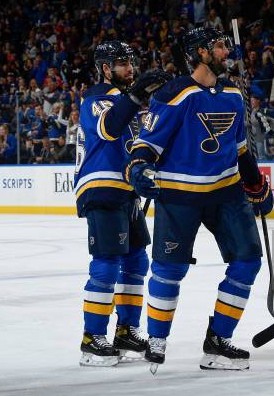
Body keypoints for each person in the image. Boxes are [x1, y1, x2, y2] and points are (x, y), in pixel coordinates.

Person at [126, 27, 273, 372]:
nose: (226, 52)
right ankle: (158, 340)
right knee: (170, 268)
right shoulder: (175, 94)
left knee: (249, 260)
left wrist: (255, 185)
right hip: (179, 195)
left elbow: (241, 151)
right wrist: (138, 169)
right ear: (201, 52)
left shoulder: (234, 96)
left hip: (226, 193)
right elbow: (146, 144)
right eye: (220, 46)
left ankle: (219, 341)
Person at [74, 41, 171, 367]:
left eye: (131, 62)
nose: (130, 69)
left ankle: (127, 330)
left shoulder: (125, 101)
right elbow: (110, 127)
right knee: (107, 262)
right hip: (101, 186)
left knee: (135, 261)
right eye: (121, 63)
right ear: (104, 69)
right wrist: (135, 95)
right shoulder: (96, 100)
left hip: (126, 189)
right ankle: (92, 338)